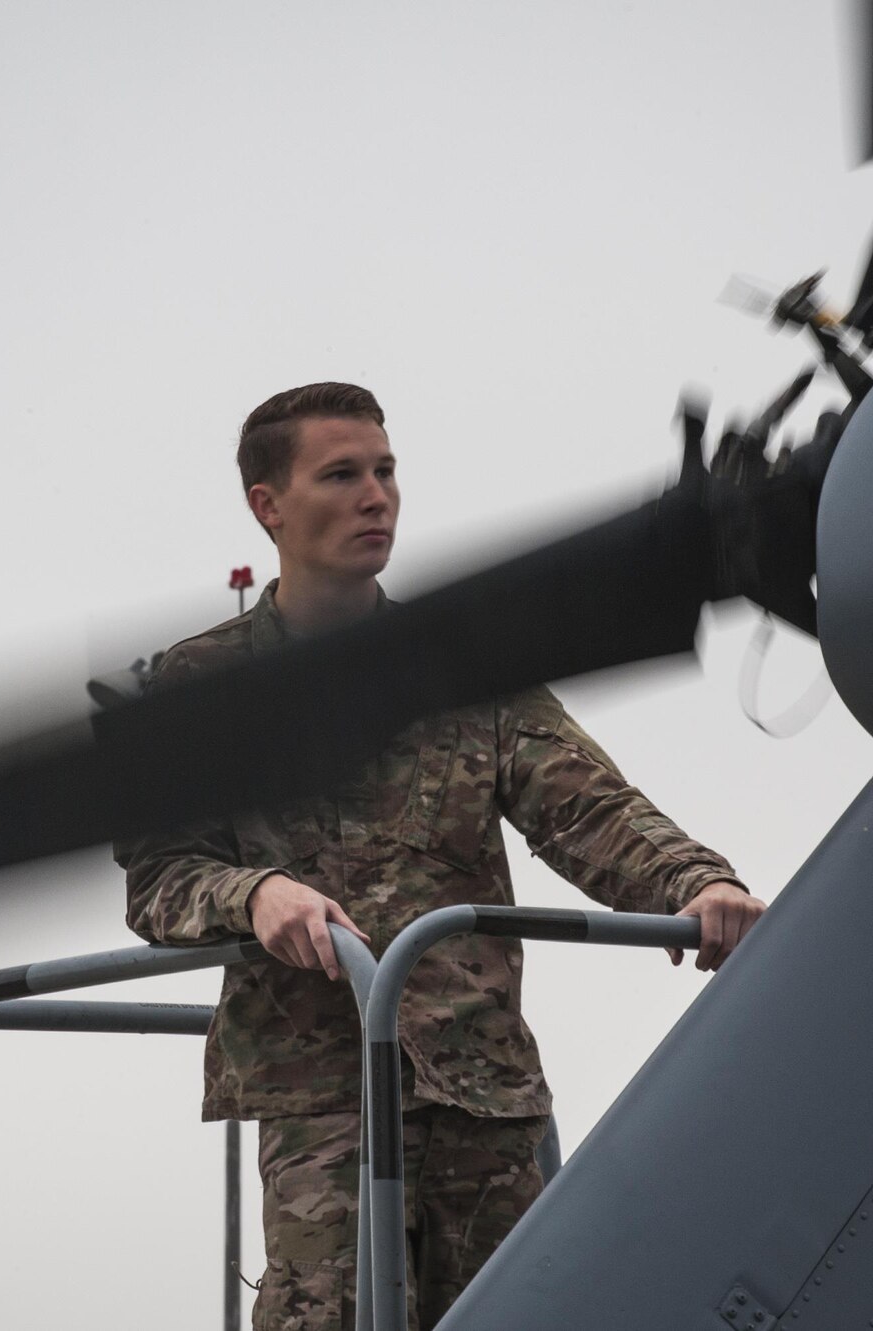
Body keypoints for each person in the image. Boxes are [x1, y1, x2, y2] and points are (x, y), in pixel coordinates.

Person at [117, 382, 763, 1330]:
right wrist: (256, 894)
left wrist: (697, 880)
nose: (376, 495)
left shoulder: (464, 666)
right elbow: (161, 875)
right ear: (270, 505)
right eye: (342, 475)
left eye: (385, 471)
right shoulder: (201, 686)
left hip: (482, 1091)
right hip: (324, 1095)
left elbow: (588, 805)